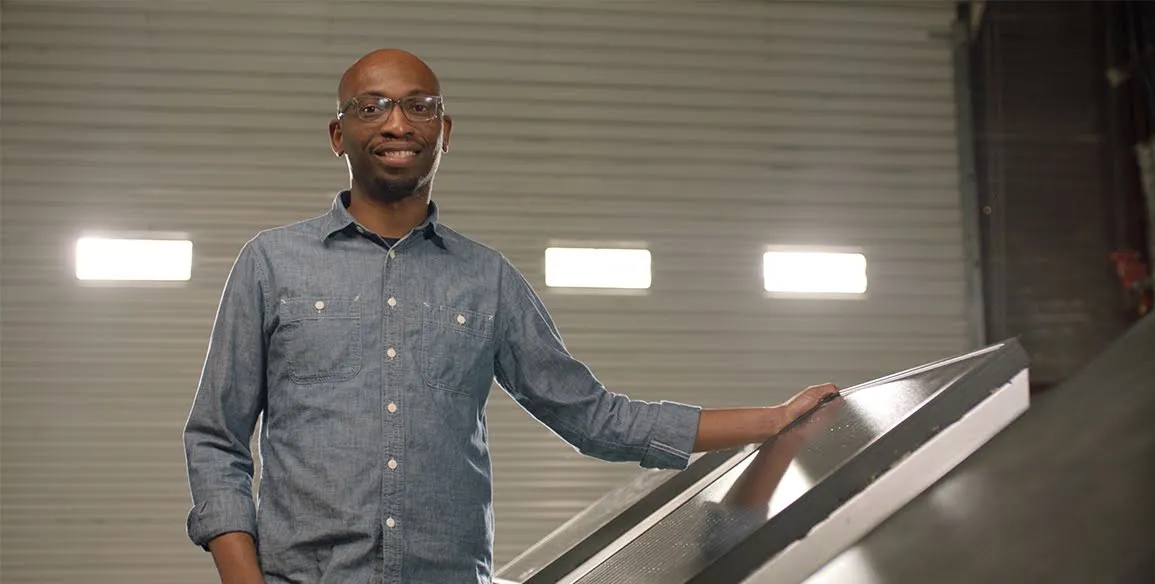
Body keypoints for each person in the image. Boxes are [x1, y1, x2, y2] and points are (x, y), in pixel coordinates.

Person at [182, 48, 839, 584]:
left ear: (444, 132)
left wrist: (771, 421)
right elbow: (217, 438)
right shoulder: (271, 264)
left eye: (420, 105)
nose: (397, 123)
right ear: (338, 134)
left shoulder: (486, 280)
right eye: (371, 106)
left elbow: (593, 417)